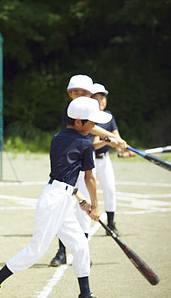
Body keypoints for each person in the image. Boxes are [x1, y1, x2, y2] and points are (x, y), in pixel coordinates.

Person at [0, 96, 111, 298]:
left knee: (80, 245)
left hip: (59, 197)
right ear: (78, 122)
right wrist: (95, 206)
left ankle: (85, 294)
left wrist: (81, 200)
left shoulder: (58, 137)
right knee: (36, 250)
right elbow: (89, 177)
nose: (93, 126)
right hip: (56, 200)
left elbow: (64, 177)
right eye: (91, 122)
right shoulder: (85, 143)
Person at [50, 74, 128, 267]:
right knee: (65, 208)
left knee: (82, 209)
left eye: (82, 92)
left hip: (85, 158)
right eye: (74, 92)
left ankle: (82, 251)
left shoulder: (91, 108)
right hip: (69, 164)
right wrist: (112, 138)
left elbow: (93, 128)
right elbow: (91, 130)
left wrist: (115, 139)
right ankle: (61, 251)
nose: (78, 95)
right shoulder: (70, 110)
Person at [91, 83, 135, 236]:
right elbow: (95, 145)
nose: (101, 101)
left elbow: (117, 138)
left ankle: (110, 225)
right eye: (97, 98)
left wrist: (124, 149)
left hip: (104, 160)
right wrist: (108, 141)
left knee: (110, 190)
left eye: (103, 98)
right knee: (87, 194)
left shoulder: (109, 116)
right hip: (89, 161)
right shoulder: (89, 116)